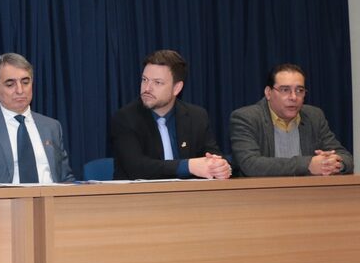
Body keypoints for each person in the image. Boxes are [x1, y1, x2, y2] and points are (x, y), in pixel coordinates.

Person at [111, 49, 231, 180]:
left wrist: (220, 167)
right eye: (144, 80)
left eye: (157, 82)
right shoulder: (125, 118)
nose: (147, 88)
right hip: (139, 198)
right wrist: (188, 166)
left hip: (187, 198)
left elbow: (212, 155)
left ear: (177, 88)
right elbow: (137, 168)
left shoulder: (197, 116)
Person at [0, 53, 73, 184]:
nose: (20, 90)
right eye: (10, 84)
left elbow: (65, 178)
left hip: (50, 201)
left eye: (25, 82)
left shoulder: (51, 126)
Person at [230, 63, 353, 177]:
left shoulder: (314, 116)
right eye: (285, 90)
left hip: (308, 195)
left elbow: (346, 157)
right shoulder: (246, 118)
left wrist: (334, 164)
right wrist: (308, 164)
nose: (294, 97)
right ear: (268, 93)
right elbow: (250, 165)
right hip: (262, 196)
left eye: (299, 90)